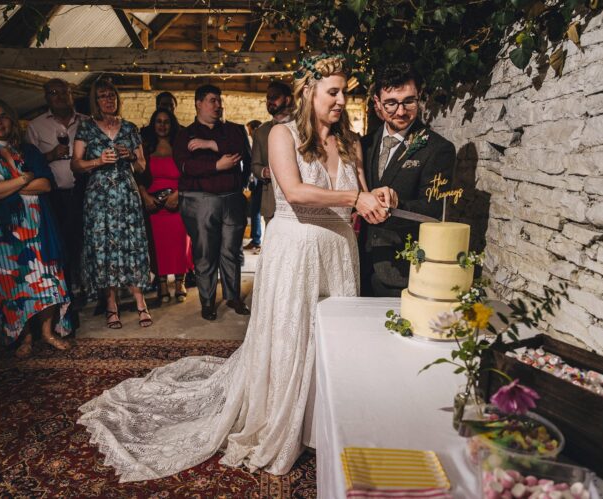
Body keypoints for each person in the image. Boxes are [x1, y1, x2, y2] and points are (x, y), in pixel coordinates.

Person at [78, 54, 395, 482]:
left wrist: (378, 197)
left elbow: (358, 194)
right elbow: (296, 192)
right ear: (308, 92)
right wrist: (354, 200)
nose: (341, 100)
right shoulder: (282, 134)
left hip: (339, 249)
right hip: (296, 250)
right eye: (333, 92)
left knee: (330, 338)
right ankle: (284, 421)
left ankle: (325, 421)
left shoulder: (353, 142)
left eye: (345, 92)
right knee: (292, 334)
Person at [0, 97, 71, 358]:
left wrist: (3, 182)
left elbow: (45, 185)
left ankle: (47, 332)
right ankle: (25, 337)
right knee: (10, 283)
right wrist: (23, 178)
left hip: (34, 226)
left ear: (12, 120)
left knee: (46, 278)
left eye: (3, 116)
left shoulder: (28, 151)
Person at [359, 62, 457, 297]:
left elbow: (434, 210)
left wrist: (398, 206)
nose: (401, 111)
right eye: (391, 103)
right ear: (377, 104)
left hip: (401, 272)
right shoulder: (363, 144)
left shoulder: (438, 149)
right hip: (356, 263)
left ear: (419, 97)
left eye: (409, 101)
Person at [71, 77, 151, 329]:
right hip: (99, 198)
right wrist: (97, 161)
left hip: (127, 196)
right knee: (104, 249)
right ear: (95, 101)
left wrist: (130, 157)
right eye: (103, 96)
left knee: (133, 246)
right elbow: (76, 164)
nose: (109, 100)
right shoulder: (86, 128)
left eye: (112, 95)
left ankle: (141, 304)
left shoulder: (129, 128)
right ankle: (111, 306)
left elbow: (142, 165)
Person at [173, 84, 251, 321]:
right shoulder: (184, 135)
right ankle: (207, 301)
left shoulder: (234, 130)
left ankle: (232, 296)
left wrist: (210, 146)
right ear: (198, 103)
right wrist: (217, 165)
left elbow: (241, 153)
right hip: (200, 201)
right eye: (212, 101)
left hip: (232, 198)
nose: (218, 105)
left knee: (231, 250)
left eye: (219, 101)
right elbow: (186, 167)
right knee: (205, 252)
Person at [25, 78, 87, 314]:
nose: (60, 96)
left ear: (72, 94)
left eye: (64, 92)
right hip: (56, 195)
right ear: (46, 97)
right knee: (62, 242)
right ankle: (68, 290)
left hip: (83, 190)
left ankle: (88, 288)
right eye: (53, 93)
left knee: (85, 240)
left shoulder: (86, 121)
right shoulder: (36, 126)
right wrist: (50, 154)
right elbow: (27, 162)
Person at [137, 108, 193, 304]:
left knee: (180, 243)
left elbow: (189, 175)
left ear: (172, 124)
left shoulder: (180, 147)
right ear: (153, 125)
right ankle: (161, 285)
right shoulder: (145, 148)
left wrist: (177, 195)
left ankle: (180, 283)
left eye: (166, 122)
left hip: (177, 203)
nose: (162, 125)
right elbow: (138, 177)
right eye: (158, 122)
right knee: (157, 246)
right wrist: (145, 197)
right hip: (154, 206)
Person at [251, 80, 293, 226]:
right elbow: (254, 165)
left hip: (300, 205)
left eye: (274, 97)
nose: (270, 101)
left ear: (287, 99)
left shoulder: (302, 128)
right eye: (268, 98)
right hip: (271, 204)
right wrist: (264, 172)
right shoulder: (261, 132)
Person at [244, 119, 263, 250]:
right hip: (258, 180)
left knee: (255, 210)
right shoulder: (258, 142)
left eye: (250, 131)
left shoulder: (260, 142)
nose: (249, 134)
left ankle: (256, 240)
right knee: (255, 210)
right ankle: (255, 239)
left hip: (261, 180)